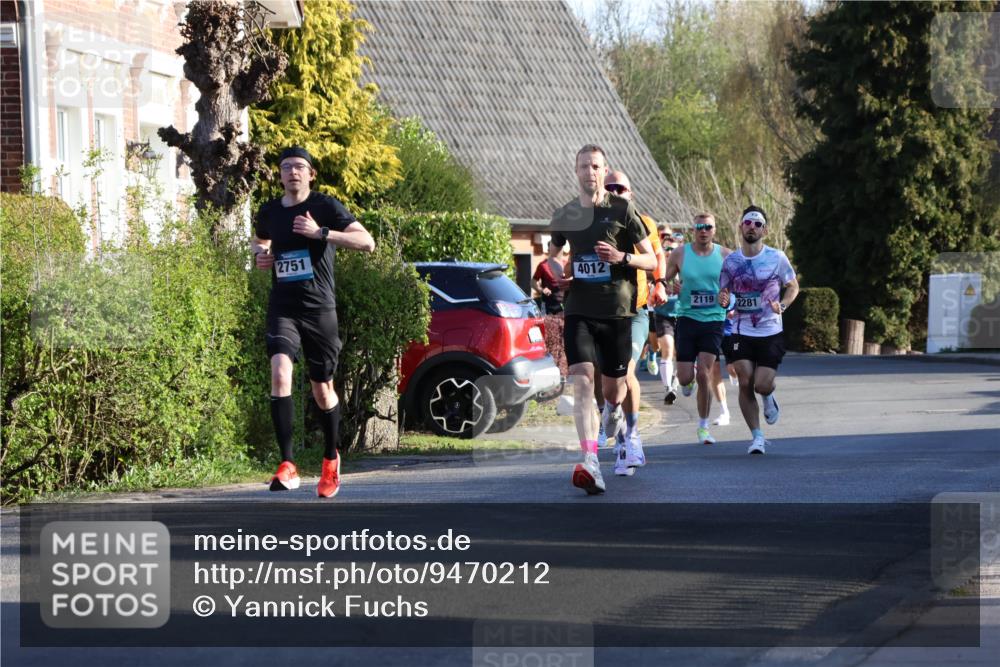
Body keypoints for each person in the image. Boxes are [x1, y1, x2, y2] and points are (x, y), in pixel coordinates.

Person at [252, 146, 376, 497]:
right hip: (283, 307)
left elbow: (367, 242)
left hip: (319, 310)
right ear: (280, 174)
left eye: (300, 167)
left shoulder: (324, 207)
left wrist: (321, 233)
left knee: (322, 390)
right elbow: (260, 240)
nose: (293, 172)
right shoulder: (270, 212)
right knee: (279, 372)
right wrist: (261, 255)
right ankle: (288, 464)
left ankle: (330, 460)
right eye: (286, 167)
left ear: (311, 174)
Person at [550, 145, 657, 494]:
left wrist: (621, 256)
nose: (589, 172)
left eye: (595, 166)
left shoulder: (623, 210)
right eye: (583, 166)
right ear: (576, 170)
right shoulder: (565, 214)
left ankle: (613, 410)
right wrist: (559, 276)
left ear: (603, 170)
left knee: (614, 389)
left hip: (616, 312)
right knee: (581, 382)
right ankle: (590, 461)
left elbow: (653, 261)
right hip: (579, 309)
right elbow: (553, 258)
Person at [719, 205, 799, 455]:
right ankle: (757, 437)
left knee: (761, 385)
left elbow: (793, 286)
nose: (751, 227)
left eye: (757, 224)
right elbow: (724, 293)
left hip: (770, 331)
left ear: (765, 230)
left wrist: (783, 305)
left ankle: (767, 396)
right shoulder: (731, 261)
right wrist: (723, 299)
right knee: (744, 380)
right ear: (741, 227)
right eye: (747, 222)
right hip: (741, 331)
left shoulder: (777, 257)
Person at [602, 170, 667, 477]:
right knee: (607, 382)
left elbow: (656, 256)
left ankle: (631, 438)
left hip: (635, 310)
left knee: (626, 369)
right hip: (599, 312)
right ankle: (612, 416)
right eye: (609, 187)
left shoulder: (645, 223)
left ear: (631, 193)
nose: (615, 191)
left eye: (621, 188)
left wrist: (661, 283)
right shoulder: (590, 222)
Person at [662, 213, 732, 445]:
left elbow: (736, 288)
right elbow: (665, 281)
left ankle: (703, 427)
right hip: (687, 318)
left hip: (713, 320)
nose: (704, 231)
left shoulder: (725, 255)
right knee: (684, 378)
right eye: (699, 227)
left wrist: (727, 300)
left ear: (714, 229)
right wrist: (671, 285)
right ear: (694, 229)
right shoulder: (680, 253)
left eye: (708, 227)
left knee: (704, 372)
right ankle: (686, 382)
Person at [653, 226, 681, 404]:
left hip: (684, 315)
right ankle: (668, 389)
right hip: (663, 315)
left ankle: (677, 383)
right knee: (668, 349)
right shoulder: (657, 270)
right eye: (667, 249)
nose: (670, 252)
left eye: (673, 249)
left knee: (683, 355)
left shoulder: (685, 268)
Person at [532, 241, 567, 315]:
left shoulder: (566, 264)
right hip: (548, 304)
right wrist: (541, 290)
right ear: (548, 250)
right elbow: (533, 282)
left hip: (564, 303)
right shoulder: (543, 265)